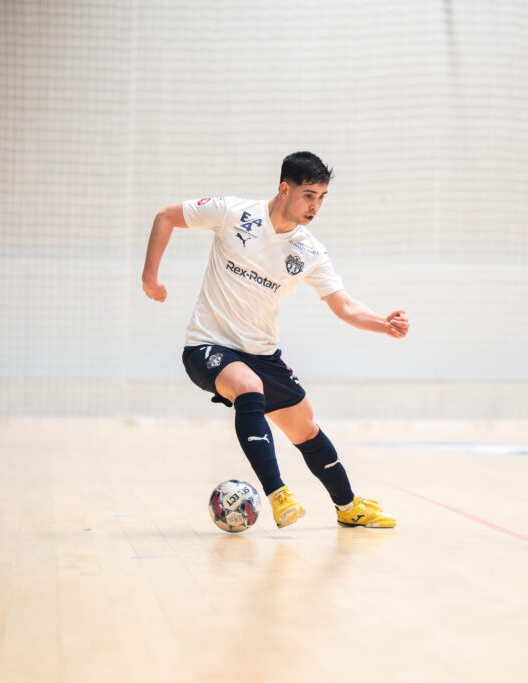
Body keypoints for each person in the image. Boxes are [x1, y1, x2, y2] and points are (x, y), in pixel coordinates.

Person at [141, 151, 408, 529]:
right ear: (285, 189)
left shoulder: (310, 251)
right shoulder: (233, 213)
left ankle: (349, 507)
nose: (315, 205)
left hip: (262, 353)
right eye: (309, 195)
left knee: (305, 427)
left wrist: (384, 323)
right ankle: (278, 494)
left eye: (322, 197)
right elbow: (166, 216)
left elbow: (345, 305)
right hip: (207, 346)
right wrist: (150, 276)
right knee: (249, 387)